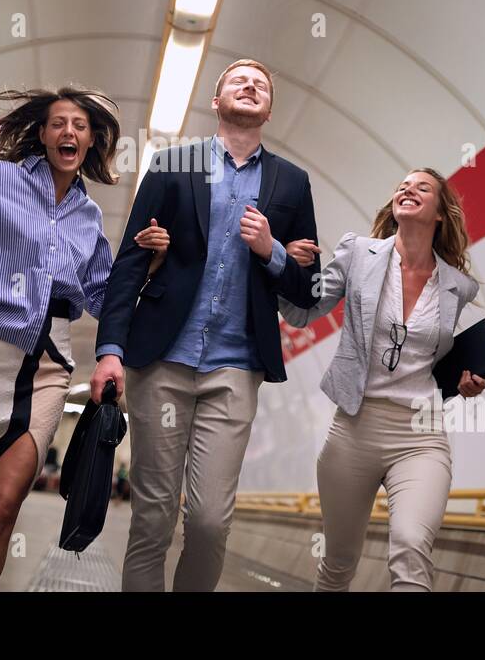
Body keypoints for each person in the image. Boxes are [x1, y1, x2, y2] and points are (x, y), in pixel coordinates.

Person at [0, 87, 169, 592]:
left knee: (1, 509)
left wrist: (148, 262)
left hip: (49, 363)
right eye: (58, 123)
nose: (69, 132)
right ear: (43, 135)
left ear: (90, 141)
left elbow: (101, 297)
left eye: (80, 126)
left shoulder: (89, 218)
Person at [92, 58, 322, 592]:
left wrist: (272, 253)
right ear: (216, 102)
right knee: (152, 515)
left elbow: (306, 294)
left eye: (261, 84)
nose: (251, 85)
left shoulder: (293, 182)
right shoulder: (173, 165)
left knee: (210, 522)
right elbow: (129, 261)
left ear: (268, 109)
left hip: (236, 368)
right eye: (238, 80)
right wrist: (109, 349)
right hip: (163, 361)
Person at [278, 167, 485, 591]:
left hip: (420, 435)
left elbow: (452, 361)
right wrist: (282, 264)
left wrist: (469, 381)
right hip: (354, 429)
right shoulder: (358, 254)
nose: (408, 189)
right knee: (337, 563)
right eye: (402, 185)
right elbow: (303, 313)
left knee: (411, 547)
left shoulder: (458, 287)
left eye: (422, 187)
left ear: (440, 214)